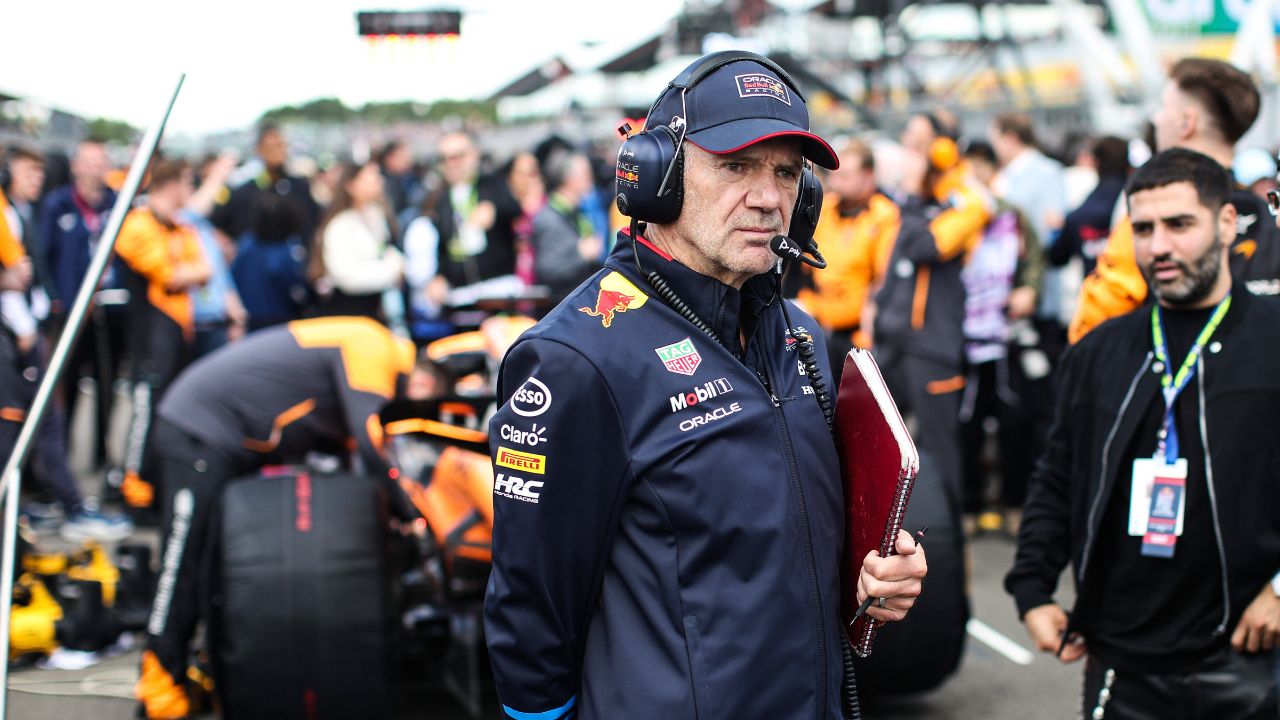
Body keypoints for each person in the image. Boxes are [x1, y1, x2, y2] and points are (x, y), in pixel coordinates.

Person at [484, 52, 927, 720]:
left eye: (785, 172)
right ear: (655, 178)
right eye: (735, 165)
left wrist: (876, 576)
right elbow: (530, 617)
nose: (768, 197)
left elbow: (791, 542)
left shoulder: (798, 333)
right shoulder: (576, 357)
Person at [1006, 148, 1280, 718]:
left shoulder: (1272, 338)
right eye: (1144, 228)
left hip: (1249, 658)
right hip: (1120, 660)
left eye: (1180, 225)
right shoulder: (1100, 350)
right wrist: (1031, 590)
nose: (1158, 247)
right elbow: (1058, 474)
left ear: (1227, 223)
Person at [134, 315, 449, 719]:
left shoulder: (369, 351)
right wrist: (410, 512)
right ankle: (157, 689)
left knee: (214, 567)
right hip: (198, 429)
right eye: (426, 395)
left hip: (219, 439)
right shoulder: (375, 346)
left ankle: (192, 674)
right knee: (184, 563)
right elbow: (370, 444)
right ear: (421, 379)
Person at [1070, 57, 1280, 342]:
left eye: (1162, 107)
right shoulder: (1267, 212)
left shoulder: (1150, 212)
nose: (1156, 119)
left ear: (1186, 122)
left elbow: (1092, 328)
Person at [873, 110, 992, 509]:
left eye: (919, 143)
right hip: (890, 338)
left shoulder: (967, 199)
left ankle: (949, 551)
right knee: (870, 439)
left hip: (932, 345)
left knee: (940, 452)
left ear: (941, 150)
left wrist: (910, 191)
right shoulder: (912, 200)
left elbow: (928, 247)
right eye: (908, 141)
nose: (909, 151)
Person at [112, 158, 212, 511]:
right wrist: (187, 271)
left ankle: (155, 485)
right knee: (146, 409)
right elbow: (167, 275)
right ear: (171, 184)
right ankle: (132, 488)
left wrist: (188, 271)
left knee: (168, 411)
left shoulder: (180, 227)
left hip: (176, 335)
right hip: (148, 337)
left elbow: (204, 270)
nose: (191, 190)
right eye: (188, 182)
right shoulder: (138, 223)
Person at [40, 139, 122, 469]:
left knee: (108, 383)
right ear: (75, 166)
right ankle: (63, 456)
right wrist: (56, 300)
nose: (94, 168)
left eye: (100, 161)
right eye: (88, 161)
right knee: (67, 385)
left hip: (111, 307)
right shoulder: (58, 204)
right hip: (72, 311)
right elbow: (45, 256)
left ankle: (102, 456)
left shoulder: (117, 203)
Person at [796, 138, 898, 367]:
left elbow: (883, 278)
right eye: (834, 175)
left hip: (859, 334)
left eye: (845, 176)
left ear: (868, 175)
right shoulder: (825, 207)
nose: (835, 182)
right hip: (816, 319)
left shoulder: (884, 215)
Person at [308, 160, 404, 320]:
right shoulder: (340, 225)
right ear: (351, 185)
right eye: (371, 178)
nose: (378, 182)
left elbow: (386, 249)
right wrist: (391, 271)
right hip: (349, 311)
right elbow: (347, 277)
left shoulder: (375, 214)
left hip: (375, 305)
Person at [432, 131, 522, 288]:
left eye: (458, 156)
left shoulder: (492, 184)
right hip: (460, 292)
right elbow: (443, 248)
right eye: (444, 159)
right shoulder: (442, 200)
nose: (451, 163)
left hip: (497, 287)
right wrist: (439, 277)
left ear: (474, 155)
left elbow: (515, 208)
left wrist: (494, 209)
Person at [210, 124, 319, 243]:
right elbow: (217, 224)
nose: (279, 151)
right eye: (272, 146)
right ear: (259, 149)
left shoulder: (300, 188)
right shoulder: (242, 192)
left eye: (282, 146)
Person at [529, 151, 603, 304]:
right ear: (570, 179)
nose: (591, 177)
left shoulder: (575, 212)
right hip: (562, 305)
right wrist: (581, 256)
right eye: (586, 173)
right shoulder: (549, 219)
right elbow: (547, 272)